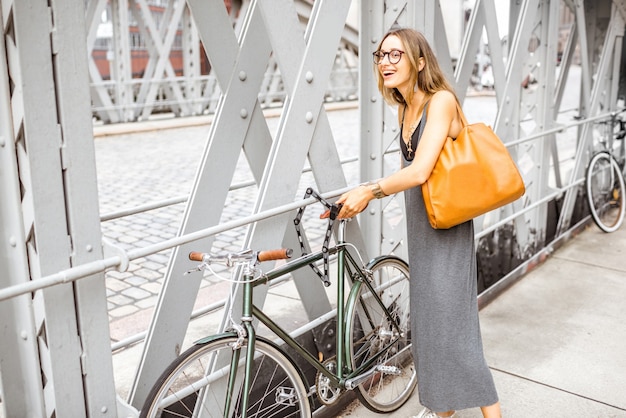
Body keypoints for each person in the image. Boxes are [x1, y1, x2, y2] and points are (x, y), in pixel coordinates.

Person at [335, 28, 502, 418]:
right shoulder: (403, 106)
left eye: (396, 55)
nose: (386, 62)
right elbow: (406, 170)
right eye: (381, 55)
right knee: (430, 328)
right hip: (422, 226)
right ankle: (443, 408)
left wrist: (370, 191)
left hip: (448, 225)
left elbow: (421, 170)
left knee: (456, 332)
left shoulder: (440, 101)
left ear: (419, 61)